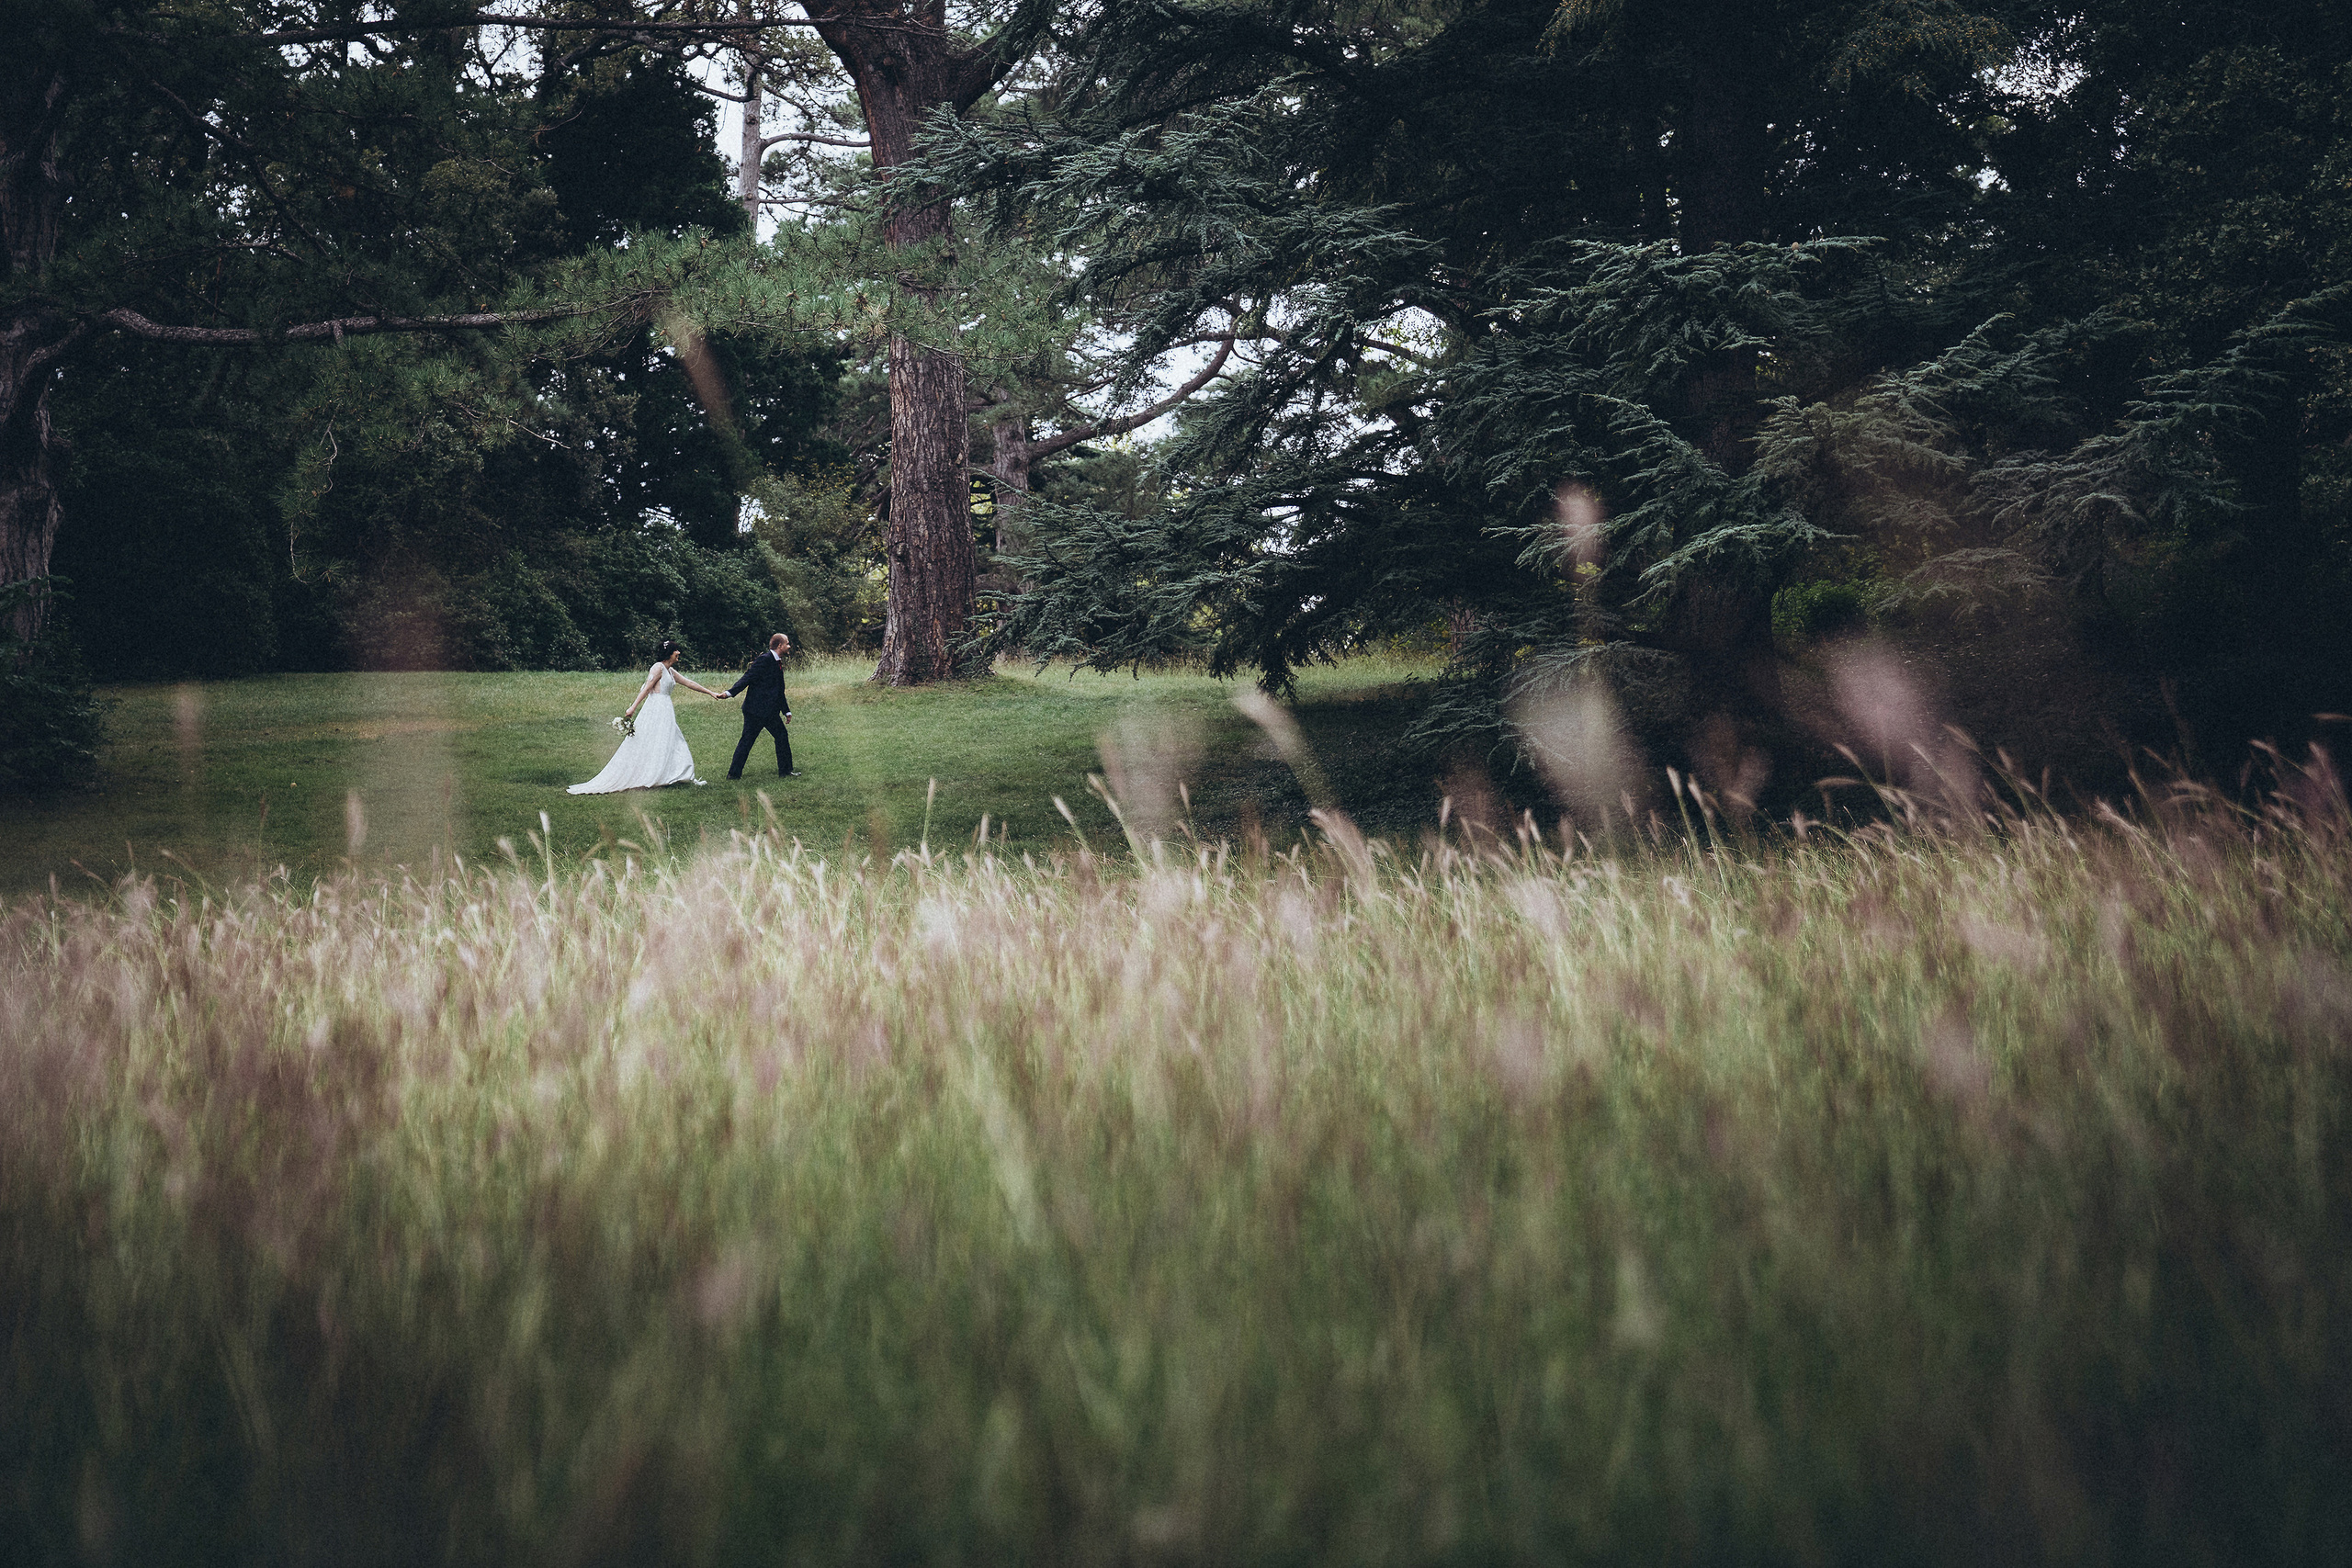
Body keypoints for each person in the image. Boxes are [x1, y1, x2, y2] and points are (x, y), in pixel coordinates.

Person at [567, 639, 725, 794]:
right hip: (656, 709)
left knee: (674, 740)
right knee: (656, 741)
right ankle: (654, 774)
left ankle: (677, 774)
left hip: (666, 709)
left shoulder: (669, 670)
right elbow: (646, 688)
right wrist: (632, 708)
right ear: (669, 653)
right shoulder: (658, 668)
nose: (679, 653)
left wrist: (710, 692)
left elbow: (689, 682)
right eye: (676, 650)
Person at [718, 632, 797, 780]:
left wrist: (786, 711)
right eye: (787, 643)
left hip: (770, 712)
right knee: (747, 741)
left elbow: (779, 690)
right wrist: (729, 693)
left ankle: (786, 771)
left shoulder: (777, 662)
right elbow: (747, 678)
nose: (789, 646)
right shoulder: (765, 659)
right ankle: (733, 775)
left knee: (781, 736)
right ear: (780, 645)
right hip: (756, 711)